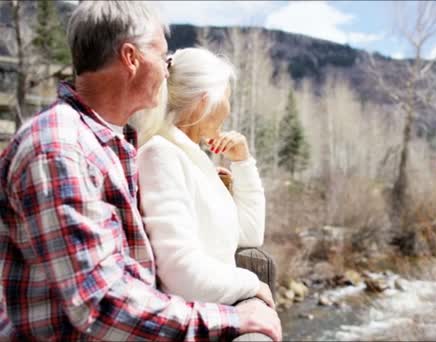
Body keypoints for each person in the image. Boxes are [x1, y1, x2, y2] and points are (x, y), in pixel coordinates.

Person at [0, 1, 281, 340]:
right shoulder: (59, 150)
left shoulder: (112, 143)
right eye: (162, 58)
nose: (167, 72)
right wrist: (234, 320)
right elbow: (101, 305)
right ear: (131, 58)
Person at [131, 47, 272, 308]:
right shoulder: (160, 156)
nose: (229, 109)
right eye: (227, 98)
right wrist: (252, 283)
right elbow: (181, 275)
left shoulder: (191, 159)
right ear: (205, 103)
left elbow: (250, 234)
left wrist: (243, 162)